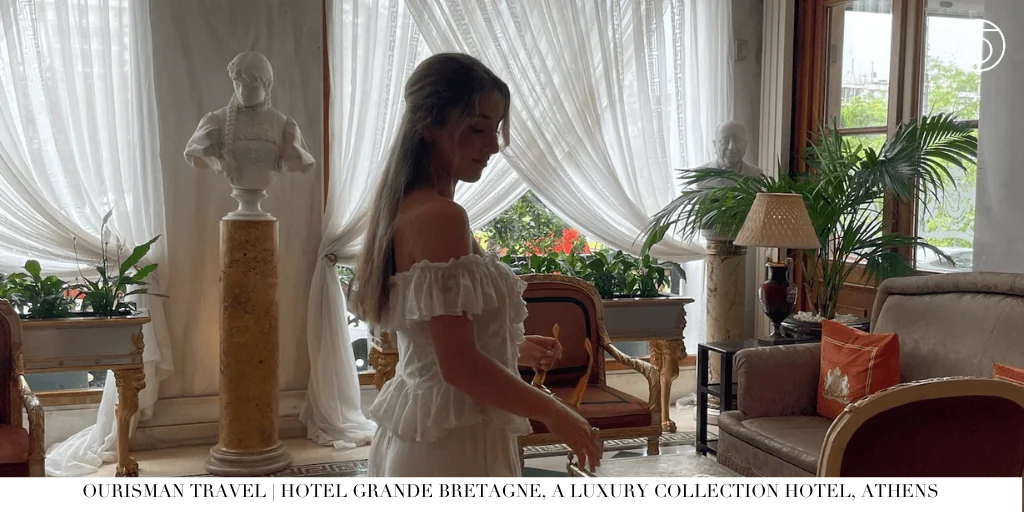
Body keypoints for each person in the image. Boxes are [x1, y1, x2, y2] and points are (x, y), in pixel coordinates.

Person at [349, 53, 601, 477]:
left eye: (497, 129)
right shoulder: (441, 217)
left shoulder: (407, 209)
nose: (493, 145)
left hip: (424, 436)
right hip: (454, 445)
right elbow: (459, 367)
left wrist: (512, 345)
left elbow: (437, 342)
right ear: (429, 124)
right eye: (478, 128)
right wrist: (556, 413)